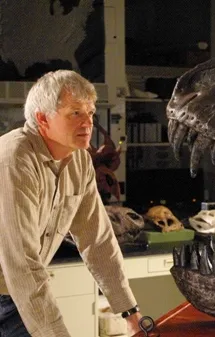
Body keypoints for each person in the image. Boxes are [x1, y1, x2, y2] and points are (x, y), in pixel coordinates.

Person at [0, 70, 142, 336]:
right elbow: (22, 261)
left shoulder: (79, 160)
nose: (87, 122)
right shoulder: (14, 159)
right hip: (11, 290)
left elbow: (97, 240)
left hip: (16, 291)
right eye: (75, 113)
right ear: (42, 118)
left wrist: (130, 313)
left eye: (90, 112)